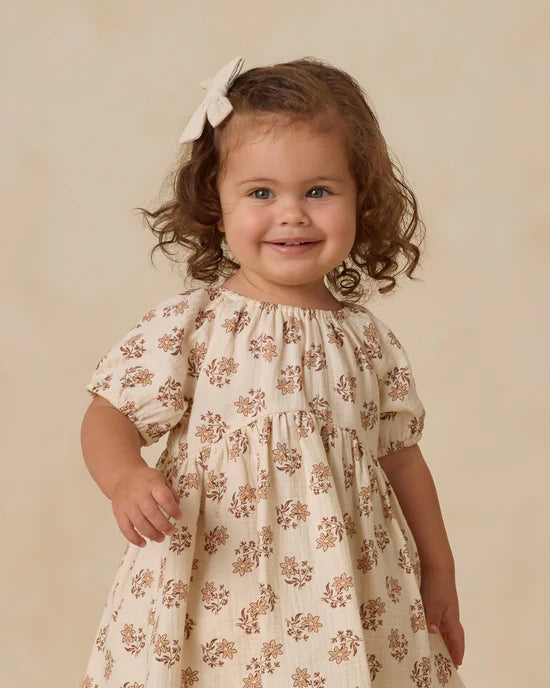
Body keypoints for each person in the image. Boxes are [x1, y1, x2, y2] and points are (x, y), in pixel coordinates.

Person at [80, 55, 466, 687]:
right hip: (218, 590)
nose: (292, 213)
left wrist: (439, 572)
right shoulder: (194, 324)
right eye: (261, 193)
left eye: (319, 191)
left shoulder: (368, 340)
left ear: (362, 200)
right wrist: (124, 476)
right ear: (217, 204)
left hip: (352, 594)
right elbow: (109, 413)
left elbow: (401, 461)